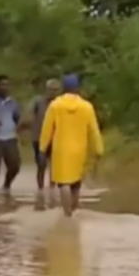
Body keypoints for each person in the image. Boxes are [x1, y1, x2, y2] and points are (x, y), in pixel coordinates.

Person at [38, 74, 104, 216]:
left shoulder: (55, 106)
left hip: (60, 149)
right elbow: (93, 130)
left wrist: (42, 148)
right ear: (77, 88)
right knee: (76, 182)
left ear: (63, 88)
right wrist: (98, 149)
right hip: (80, 149)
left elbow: (47, 128)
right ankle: (73, 209)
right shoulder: (87, 107)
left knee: (63, 183)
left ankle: (67, 214)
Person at [29, 78, 61, 190]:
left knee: (55, 165)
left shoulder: (60, 103)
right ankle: (40, 188)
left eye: (56, 90)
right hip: (39, 137)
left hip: (56, 138)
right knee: (41, 164)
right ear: (46, 90)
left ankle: (52, 187)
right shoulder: (38, 101)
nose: (53, 92)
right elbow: (30, 114)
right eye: (51, 90)